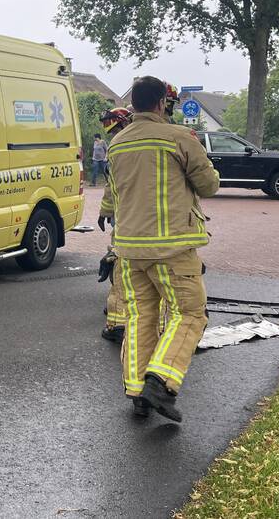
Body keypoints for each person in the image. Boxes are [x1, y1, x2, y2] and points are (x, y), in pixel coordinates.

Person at [103, 76, 219, 422]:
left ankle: (138, 393)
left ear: (134, 104)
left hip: (128, 251)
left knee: (141, 317)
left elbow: (115, 193)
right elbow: (209, 184)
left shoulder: (117, 144)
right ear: (159, 104)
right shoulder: (179, 138)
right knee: (189, 313)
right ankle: (161, 382)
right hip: (171, 248)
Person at [95, 107, 134, 343]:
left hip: (131, 216)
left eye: (117, 128)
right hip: (125, 214)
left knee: (122, 264)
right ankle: (120, 311)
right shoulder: (119, 147)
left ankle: (120, 317)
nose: (115, 134)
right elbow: (111, 184)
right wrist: (105, 212)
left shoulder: (126, 146)